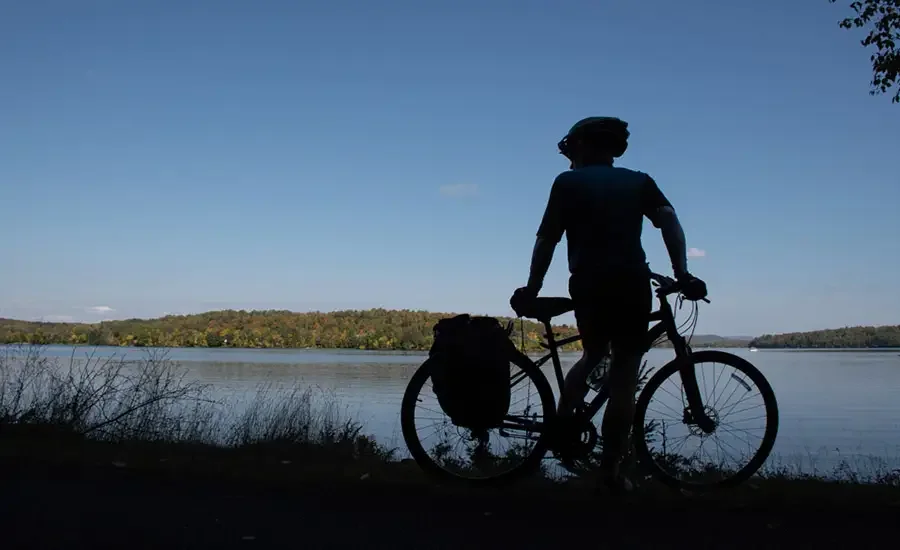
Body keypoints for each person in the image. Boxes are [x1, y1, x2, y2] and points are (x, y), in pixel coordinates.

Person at [510, 116, 707, 493]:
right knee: (624, 380)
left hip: (589, 284)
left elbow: (547, 239)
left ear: (582, 146)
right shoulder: (639, 181)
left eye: (571, 149)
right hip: (631, 283)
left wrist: (532, 288)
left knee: (592, 353)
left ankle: (563, 423)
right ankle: (610, 474)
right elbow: (669, 219)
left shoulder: (567, 183)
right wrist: (681, 272)